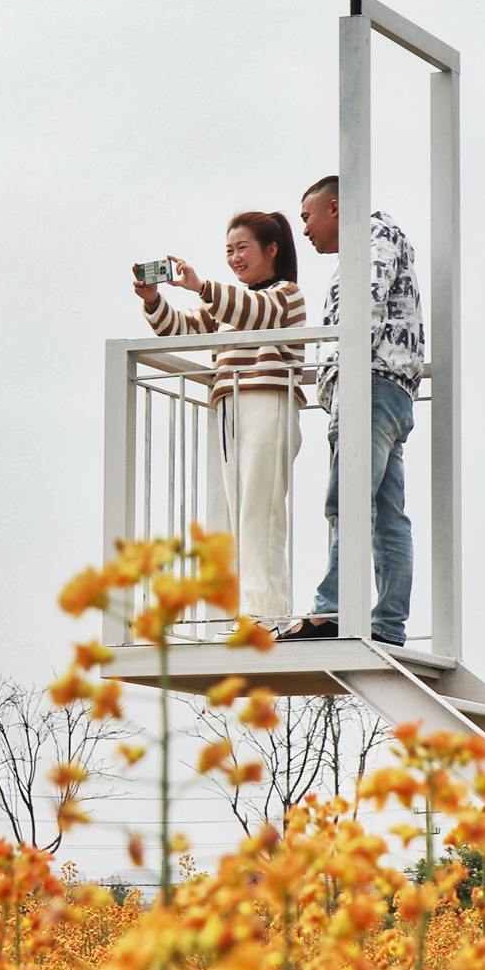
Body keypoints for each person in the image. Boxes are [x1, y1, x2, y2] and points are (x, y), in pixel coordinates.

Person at [133, 212, 307, 624]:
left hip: (267, 401)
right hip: (229, 406)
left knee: (260, 509)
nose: (234, 258)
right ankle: (263, 611)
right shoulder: (229, 303)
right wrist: (153, 301)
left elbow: (257, 313)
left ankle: (263, 614)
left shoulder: (286, 294)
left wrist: (203, 288)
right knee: (242, 509)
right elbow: (181, 329)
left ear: (271, 250)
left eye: (242, 248)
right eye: (229, 250)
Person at [279, 176, 425, 646]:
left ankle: (332, 611)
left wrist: (347, 371)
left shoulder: (372, 235)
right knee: (385, 512)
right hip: (389, 386)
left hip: (370, 385)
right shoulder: (380, 237)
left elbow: (367, 303)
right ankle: (386, 623)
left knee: (347, 500)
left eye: (307, 217)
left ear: (336, 208)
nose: (304, 230)